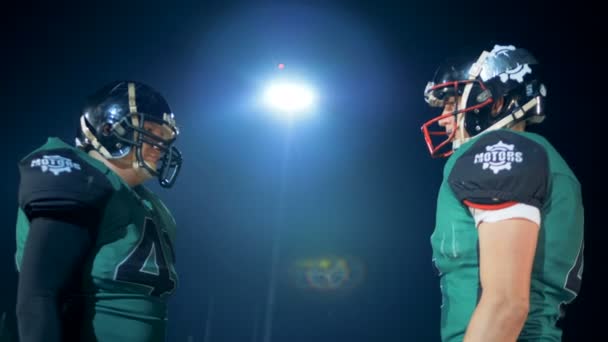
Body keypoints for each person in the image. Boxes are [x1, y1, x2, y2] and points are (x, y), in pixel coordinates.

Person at [420, 44, 584, 341]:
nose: (444, 118)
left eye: (451, 102)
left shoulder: (498, 149)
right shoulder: (540, 157)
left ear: (495, 103)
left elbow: (506, 303)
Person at [14, 80, 182, 342]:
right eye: (150, 131)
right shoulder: (78, 175)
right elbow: (39, 292)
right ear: (108, 129)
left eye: (164, 137)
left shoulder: (156, 209)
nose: (159, 145)